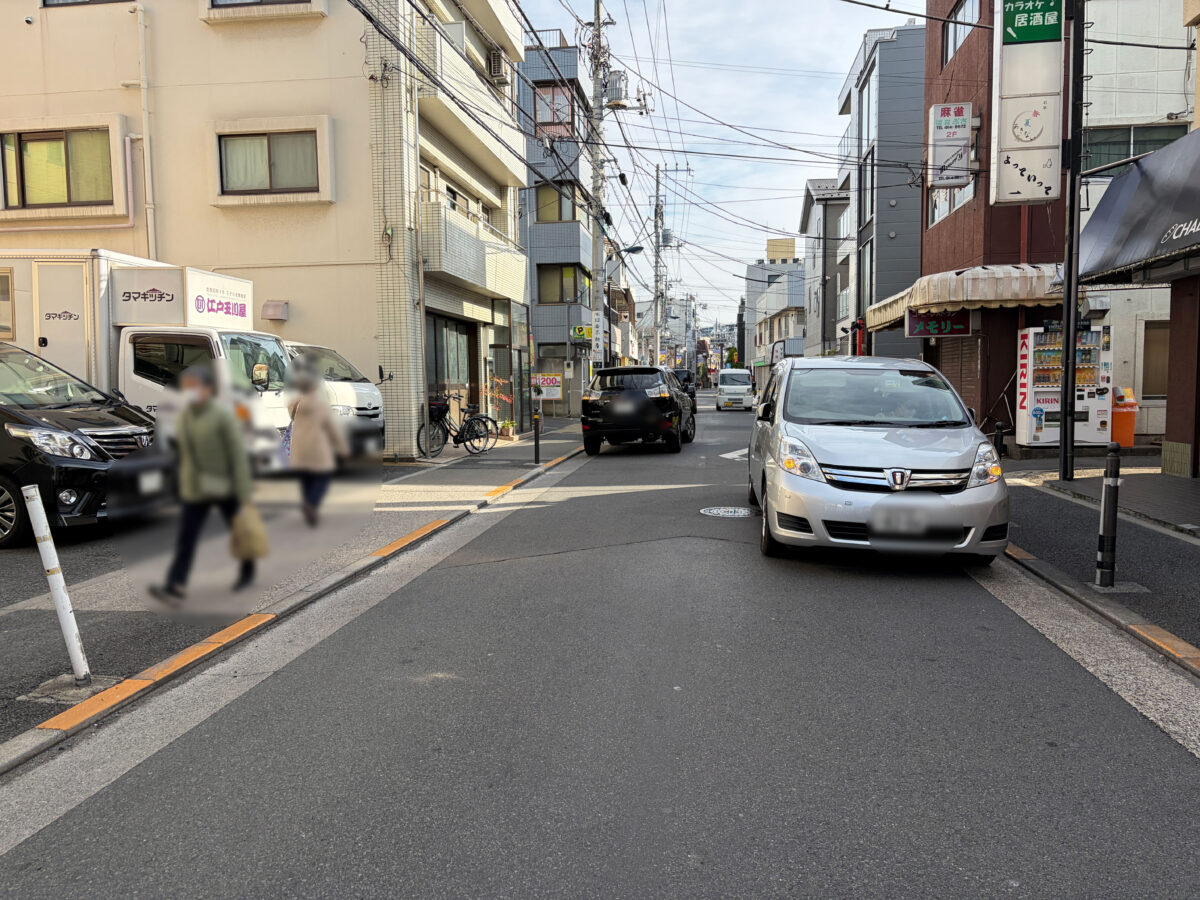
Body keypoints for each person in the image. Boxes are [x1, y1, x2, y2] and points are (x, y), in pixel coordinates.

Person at [151, 366, 254, 603]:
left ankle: (247, 569)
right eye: (188, 387)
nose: (191, 392)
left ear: (208, 389)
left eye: (195, 387)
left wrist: (243, 491)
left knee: (238, 531)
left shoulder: (222, 416)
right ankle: (175, 584)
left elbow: (237, 454)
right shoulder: (185, 416)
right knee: (187, 537)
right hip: (195, 489)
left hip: (225, 487)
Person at [287, 361, 349, 526]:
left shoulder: (295, 403)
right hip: (317, 449)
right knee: (323, 477)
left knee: (305, 478)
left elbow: (291, 415)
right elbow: (332, 429)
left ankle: (307, 503)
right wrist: (343, 448)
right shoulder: (321, 405)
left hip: (299, 448)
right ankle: (312, 504)